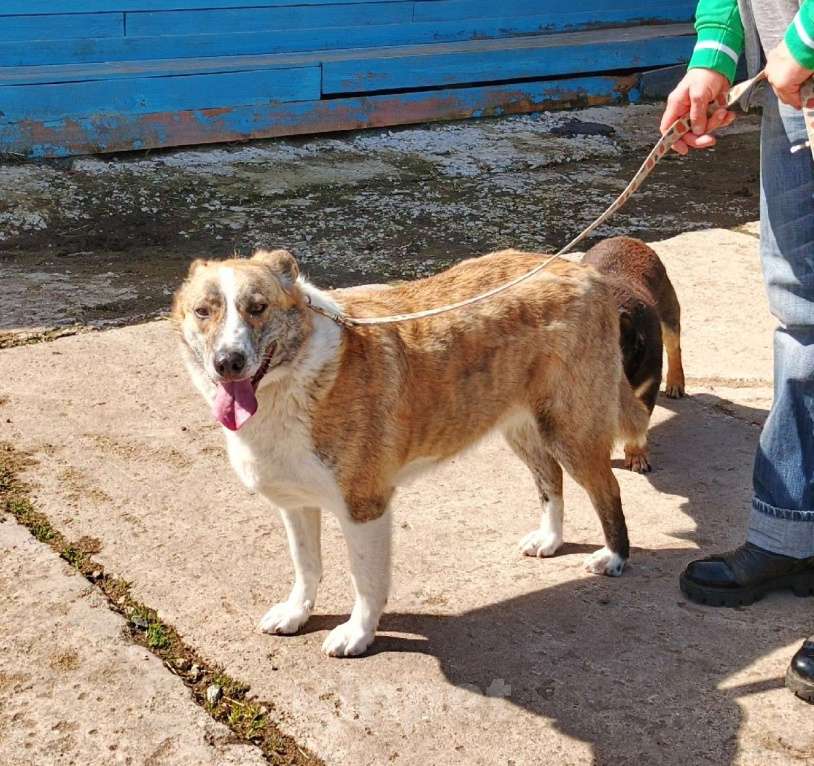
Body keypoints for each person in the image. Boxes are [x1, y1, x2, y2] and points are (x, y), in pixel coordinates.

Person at [659, 0, 814, 703]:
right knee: (801, 309)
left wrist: (807, 37)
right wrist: (715, 54)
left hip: (803, 54)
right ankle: (794, 531)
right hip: (796, 81)